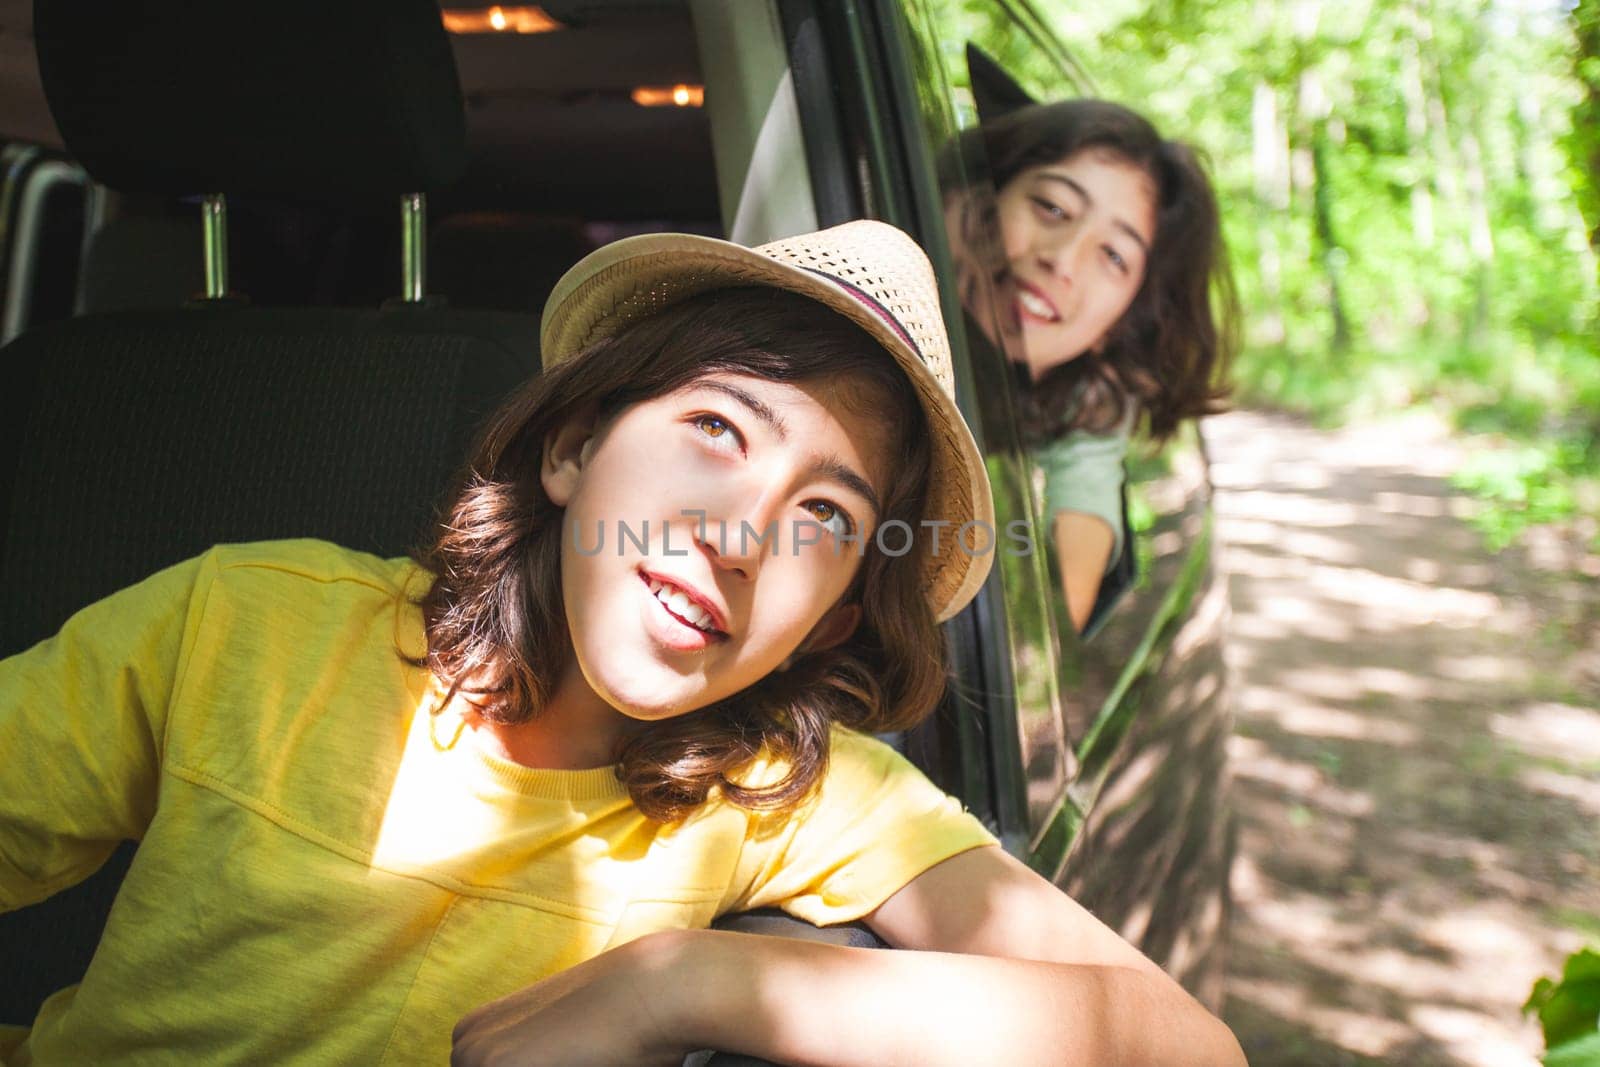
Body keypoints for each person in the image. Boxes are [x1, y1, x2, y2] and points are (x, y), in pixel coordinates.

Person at [0, 221, 1244, 1066]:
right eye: (715, 424)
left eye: (828, 515)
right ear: (573, 445)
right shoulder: (245, 625)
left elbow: (1183, 1042)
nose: (742, 535)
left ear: (841, 614)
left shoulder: (782, 790)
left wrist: (693, 980)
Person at [947, 99, 1238, 633]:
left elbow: (1047, 622)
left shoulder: (1089, 408)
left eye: (1113, 257)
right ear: (974, 205)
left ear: (1120, 324)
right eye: (1052, 208)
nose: (1062, 258)